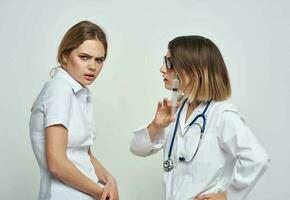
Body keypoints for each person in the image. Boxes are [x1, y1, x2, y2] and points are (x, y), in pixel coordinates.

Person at [130, 35, 269, 200]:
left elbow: (257, 158)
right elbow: (137, 148)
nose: (162, 68)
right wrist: (156, 125)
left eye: (169, 63)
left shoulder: (222, 115)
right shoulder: (176, 111)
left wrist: (228, 196)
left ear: (192, 70)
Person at [30, 20, 118, 200]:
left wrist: (110, 181)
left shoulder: (78, 92)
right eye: (84, 57)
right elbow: (56, 163)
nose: (92, 67)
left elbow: (81, 153)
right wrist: (101, 193)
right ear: (64, 57)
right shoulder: (59, 89)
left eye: (99, 60)